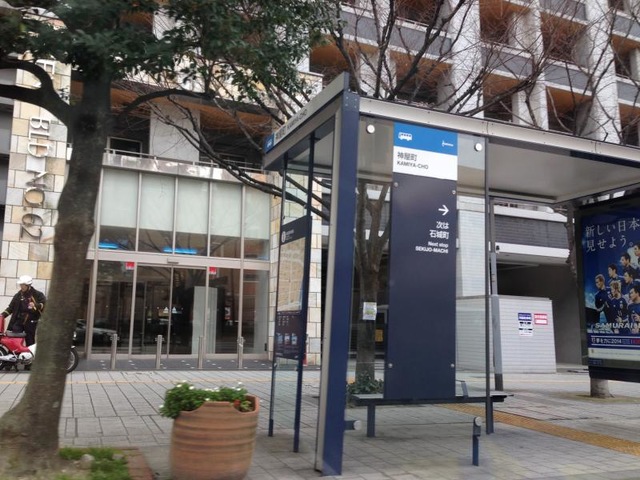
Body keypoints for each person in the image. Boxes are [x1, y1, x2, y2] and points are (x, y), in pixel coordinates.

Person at [0, 275, 46, 349]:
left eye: (23, 285)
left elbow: (44, 305)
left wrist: (35, 305)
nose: (21, 287)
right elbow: (10, 308)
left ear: (28, 285)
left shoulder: (38, 294)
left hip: (31, 322)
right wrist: (2, 315)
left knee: (30, 341)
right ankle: (14, 354)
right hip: (18, 321)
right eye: (20, 285)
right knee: (14, 340)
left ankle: (29, 355)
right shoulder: (18, 295)